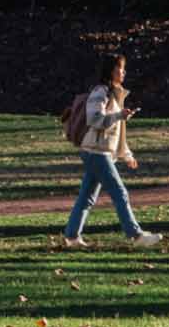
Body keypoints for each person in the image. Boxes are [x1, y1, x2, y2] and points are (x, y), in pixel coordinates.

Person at [60, 54, 161, 249]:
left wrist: (127, 153)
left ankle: (72, 237)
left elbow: (117, 131)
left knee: (87, 197)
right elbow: (94, 119)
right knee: (119, 192)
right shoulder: (101, 92)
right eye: (120, 68)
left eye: (123, 69)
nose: (123, 72)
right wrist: (117, 116)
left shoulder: (115, 94)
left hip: (99, 151)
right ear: (110, 71)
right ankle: (136, 235)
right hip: (96, 152)